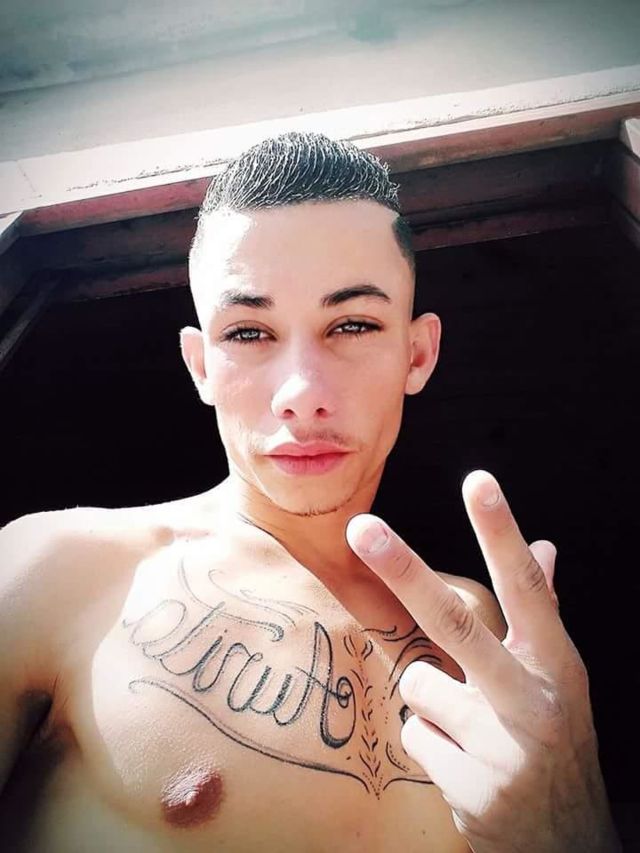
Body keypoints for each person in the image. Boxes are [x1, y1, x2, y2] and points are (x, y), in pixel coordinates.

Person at [0, 131, 620, 852]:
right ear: (200, 366)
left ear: (417, 354)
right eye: (249, 332)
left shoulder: (477, 629)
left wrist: (579, 829)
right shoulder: (58, 569)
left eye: (352, 324)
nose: (300, 392)